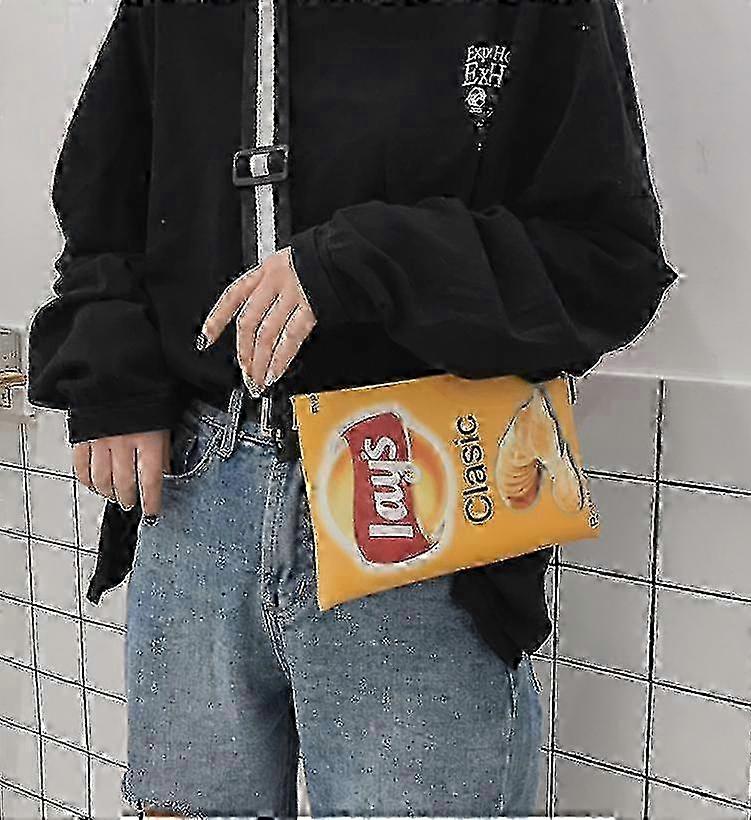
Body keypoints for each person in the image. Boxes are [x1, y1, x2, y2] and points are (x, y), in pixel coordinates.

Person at [27, 0, 678, 816]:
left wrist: (368, 261)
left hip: (414, 489)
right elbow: (103, 206)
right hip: (196, 486)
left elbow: (607, 263)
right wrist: (109, 373)